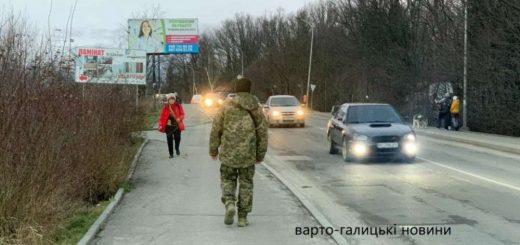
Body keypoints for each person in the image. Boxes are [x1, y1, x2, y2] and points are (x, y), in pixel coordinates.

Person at [209, 78, 268, 227]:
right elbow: (262, 132)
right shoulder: (256, 107)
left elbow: (216, 128)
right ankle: (242, 217)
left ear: (236, 89)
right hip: (248, 154)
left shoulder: (226, 105)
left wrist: (213, 149)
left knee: (228, 179)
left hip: (228, 152)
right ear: (249, 90)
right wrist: (260, 154)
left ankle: (229, 203)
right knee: (246, 183)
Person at [158, 93, 185, 158]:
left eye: (173, 99)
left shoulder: (178, 106)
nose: (172, 100)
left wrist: (179, 118)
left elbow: (182, 114)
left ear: (175, 100)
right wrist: (160, 124)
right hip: (168, 126)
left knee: (177, 138)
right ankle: (171, 153)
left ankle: (177, 148)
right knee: (169, 140)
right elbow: (161, 117)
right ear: (168, 100)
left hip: (176, 126)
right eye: (170, 99)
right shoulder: (165, 107)